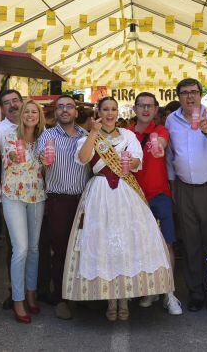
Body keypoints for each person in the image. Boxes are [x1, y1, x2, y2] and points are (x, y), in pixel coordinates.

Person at [62, 97, 173, 321]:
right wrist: (93, 133)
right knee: (104, 243)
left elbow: (137, 162)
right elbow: (82, 159)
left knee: (126, 243)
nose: (110, 114)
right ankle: (110, 300)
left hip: (125, 192)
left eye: (113, 109)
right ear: (98, 112)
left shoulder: (128, 136)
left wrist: (129, 162)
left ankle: (124, 299)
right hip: (100, 192)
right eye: (105, 109)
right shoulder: (87, 137)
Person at [165, 78, 207, 312]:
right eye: (184, 93)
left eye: (194, 92)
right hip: (183, 188)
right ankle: (195, 291)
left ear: (201, 94)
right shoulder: (171, 120)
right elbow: (170, 155)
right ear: (178, 96)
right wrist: (172, 186)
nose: (190, 97)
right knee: (190, 241)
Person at [36, 95, 91, 320]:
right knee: (59, 250)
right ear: (55, 112)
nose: (65, 110)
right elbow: (41, 160)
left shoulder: (87, 136)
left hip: (84, 200)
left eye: (69, 106)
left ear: (76, 112)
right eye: (60, 107)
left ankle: (81, 294)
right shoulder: (47, 135)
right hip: (58, 200)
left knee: (83, 249)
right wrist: (43, 159)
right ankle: (60, 298)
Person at [128, 92, 183, 315]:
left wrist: (157, 145)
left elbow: (160, 143)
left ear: (156, 109)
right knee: (139, 243)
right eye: (141, 106)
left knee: (167, 242)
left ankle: (168, 292)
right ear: (134, 109)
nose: (145, 110)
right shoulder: (126, 133)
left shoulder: (161, 130)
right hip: (133, 195)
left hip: (159, 193)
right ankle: (146, 288)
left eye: (150, 106)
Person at [0, 100, 46, 324]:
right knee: (21, 248)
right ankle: (18, 300)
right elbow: (7, 158)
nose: (30, 115)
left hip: (37, 195)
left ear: (39, 116)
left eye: (34, 112)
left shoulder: (43, 139)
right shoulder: (8, 137)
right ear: (21, 114)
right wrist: (13, 157)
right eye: (27, 111)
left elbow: (47, 165)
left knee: (34, 248)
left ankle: (31, 293)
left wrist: (47, 163)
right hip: (13, 195)